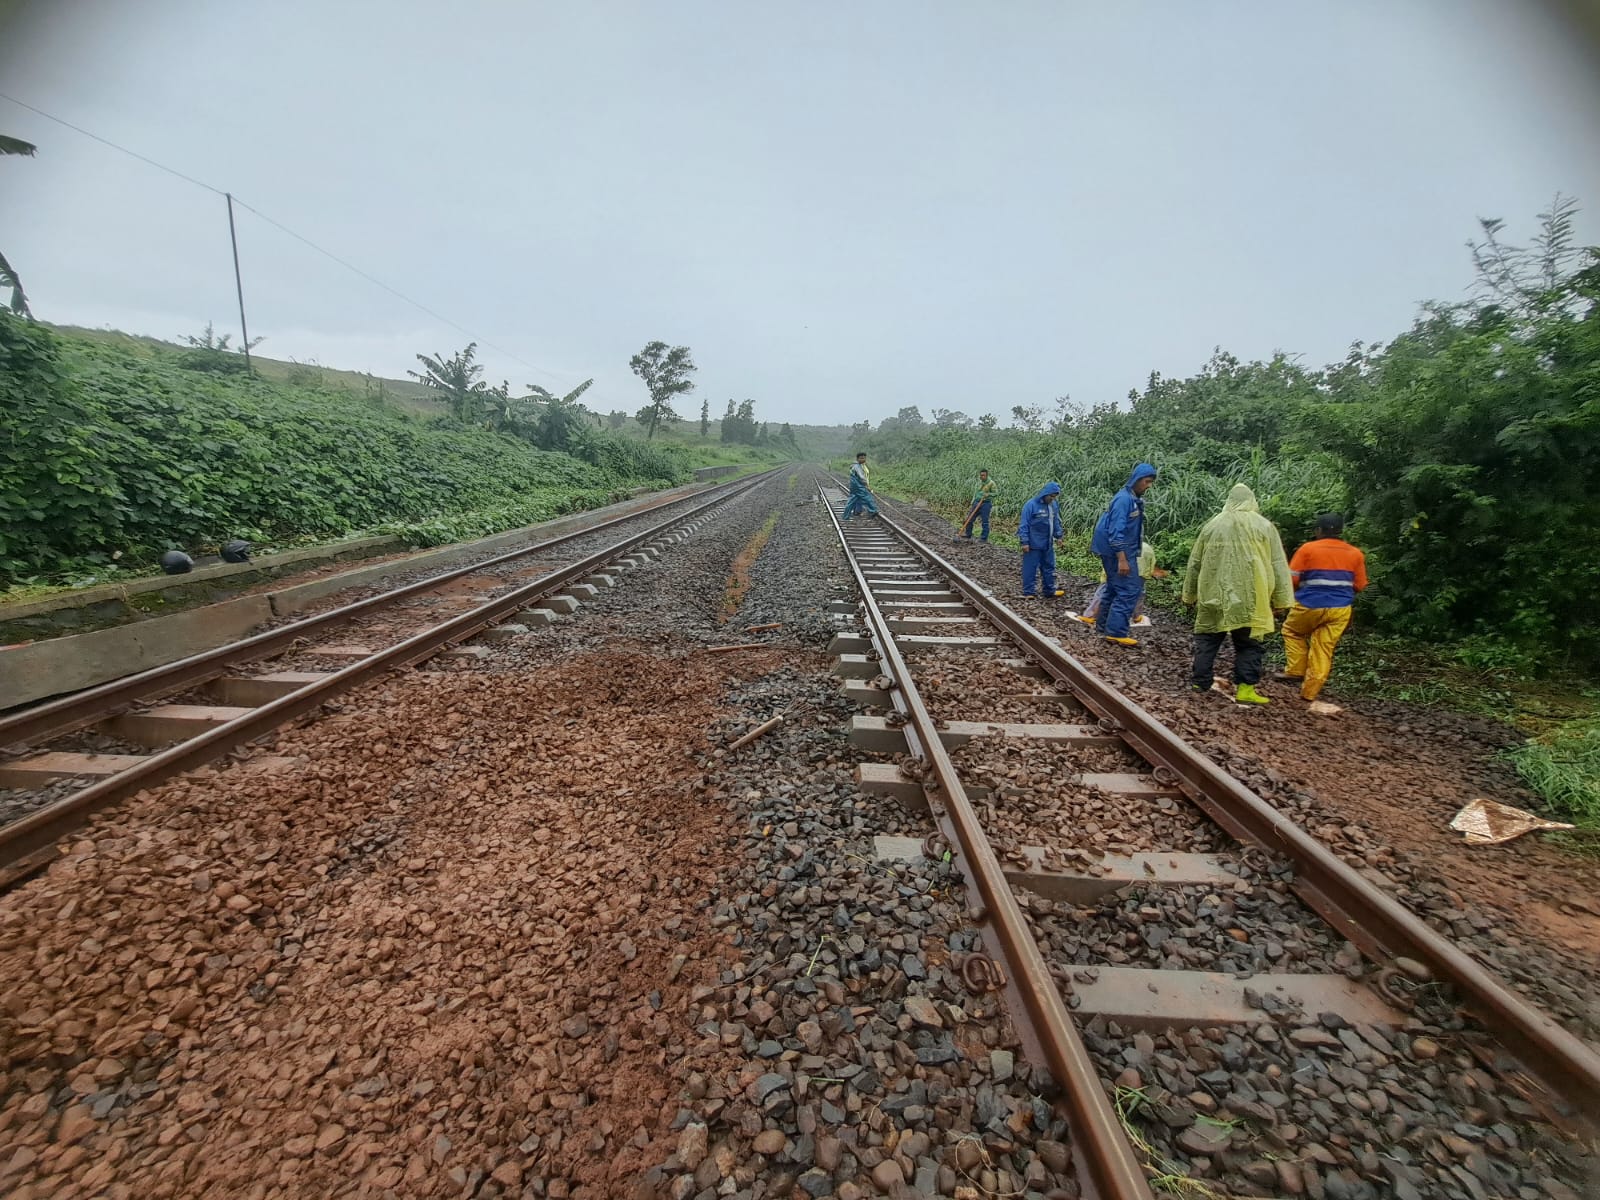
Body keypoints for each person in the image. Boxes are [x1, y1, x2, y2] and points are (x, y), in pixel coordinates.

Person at [1182, 483, 1293, 705]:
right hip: (1252, 597)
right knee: (1250, 644)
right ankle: (1245, 689)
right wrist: (1282, 599)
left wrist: (1189, 595)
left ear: (1229, 500)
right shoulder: (1264, 526)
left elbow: (1195, 563)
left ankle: (1200, 682)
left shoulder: (1213, 525)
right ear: (1252, 501)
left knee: (1208, 638)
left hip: (1215, 594)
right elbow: (1278, 563)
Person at [1281, 513, 1368, 701]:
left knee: (1292, 631)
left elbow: (1292, 578)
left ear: (1318, 531)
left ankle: (1296, 670)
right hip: (1340, 609)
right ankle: (1309, 693)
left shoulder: (1307, 549)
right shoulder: (1355, 553)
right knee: (1323, 647)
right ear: (1340, 531)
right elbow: (1360, 585)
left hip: (1308, 604)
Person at [1089, 463, 1158, 644]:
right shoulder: (1124, 500)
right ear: (1137, 480)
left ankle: (1103, 626)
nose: (1148, 485)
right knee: (1129, 590)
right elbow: (1115, 531)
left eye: (1151, 482)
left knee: (1113, 588)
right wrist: (1122, 559)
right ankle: (1117, 632)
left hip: (1120, 550)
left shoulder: (1132, 498)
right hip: (1117, 552)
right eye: (1146, 481)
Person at [1075, 539, 1155, 627]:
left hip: (1120, 569)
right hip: (1140, 572)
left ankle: (1090, 615)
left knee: (1104, 590)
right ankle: (1137, 617)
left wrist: (1105, 577)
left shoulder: (1116, 547)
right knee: (1137, 594)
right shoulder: (1147, 548)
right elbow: (1150, 566)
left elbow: (1108, 566)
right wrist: (1146, 576)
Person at [1017, 481, 1064, 597]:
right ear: (1045, 493)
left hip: (1047, 543)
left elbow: (1056, 522)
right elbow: (1024, 525)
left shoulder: (1053, 506)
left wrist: (1059, 536)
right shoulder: (1031, 505)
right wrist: (1025, 541)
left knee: (1049, 567)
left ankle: (1049, 591)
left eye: (1054, 497)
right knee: (1030, 568)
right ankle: (1029, 592)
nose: (1052, 499)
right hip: (1033, 543)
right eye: (1051, 496)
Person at [961, 469, 996, 541]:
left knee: (984, 521)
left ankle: (983, 538)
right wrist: (974, 501)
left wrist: (988, 494)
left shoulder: (991, 483)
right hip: (977, 502)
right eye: (981, 475)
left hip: (985, 504)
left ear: (987, 475)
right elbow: (977, 492)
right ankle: (968, 534)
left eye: (983, 475)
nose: (982, 477)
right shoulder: (980, 482)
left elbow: (996, 493)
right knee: (969, 518)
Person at [842, 452, 879, 520]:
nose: (863, 459)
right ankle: (873, 511)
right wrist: (866, 486)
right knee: (867, 497)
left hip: (854, 486)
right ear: (857, 458)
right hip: (858, 486)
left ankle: (845, 516)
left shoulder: (855, 465)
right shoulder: (857, 466)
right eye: (861, 458)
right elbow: (862, 477)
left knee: (851, 501)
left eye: (864, 458)